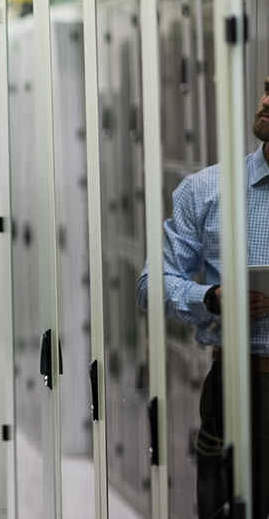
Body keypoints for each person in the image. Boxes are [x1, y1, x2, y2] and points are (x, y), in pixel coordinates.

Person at [137, 74, 269, 518]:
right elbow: (150, 285)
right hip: (236, 386)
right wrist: (212, 297)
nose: (266, 100)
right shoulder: (206, 190)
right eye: (267, 87)